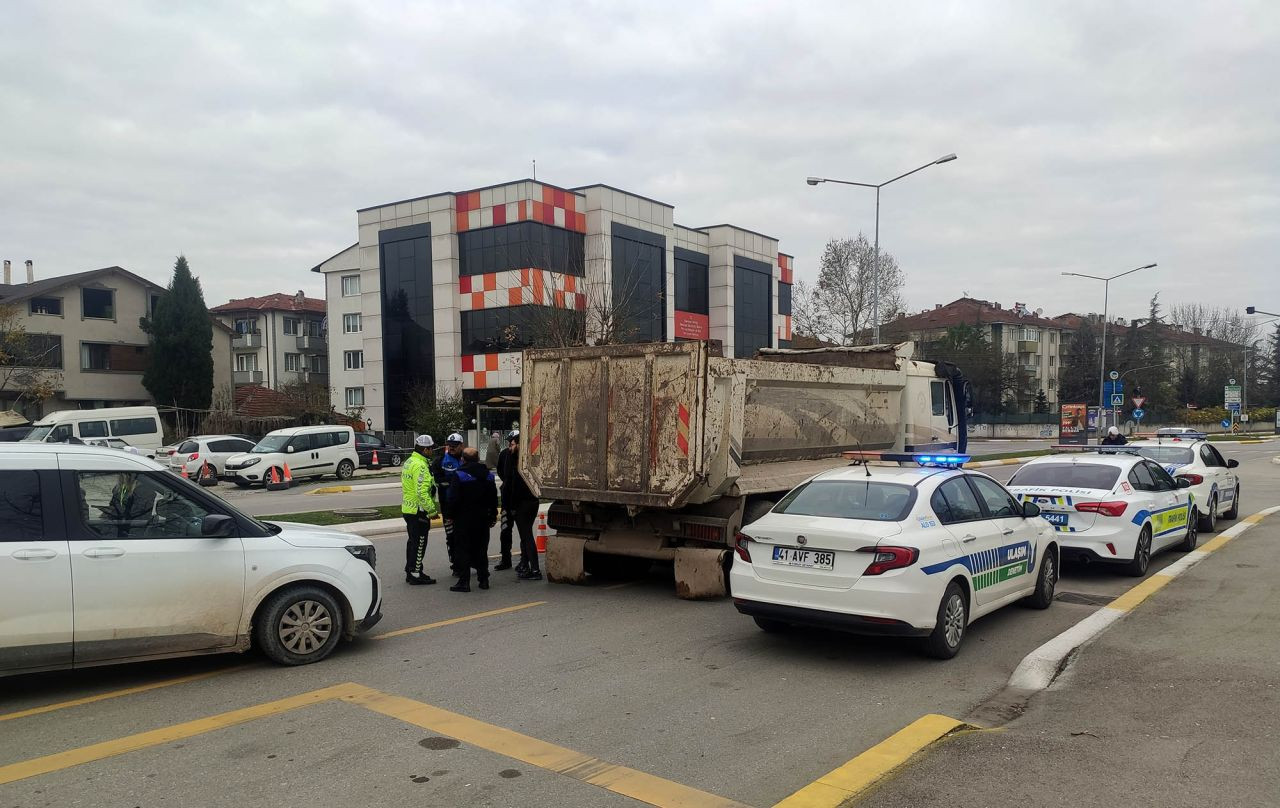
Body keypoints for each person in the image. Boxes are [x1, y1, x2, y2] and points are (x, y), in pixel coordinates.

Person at [444, 447, 498, 592]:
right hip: (482, 519)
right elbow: (493, 498)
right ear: (477, 458)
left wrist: (449, 515)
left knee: (463, 549)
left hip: (464, 519)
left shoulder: (460, 475)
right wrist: (493, 515)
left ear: (463, 459)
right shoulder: (488, 475)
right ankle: (484, 579)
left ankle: (464, 582)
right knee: (481, 549)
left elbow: (453, 498)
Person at [496, 429, 541, 579]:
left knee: (526, 536)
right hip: (531, 501)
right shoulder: (525, 457)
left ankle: (534, 570)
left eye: (512, 443)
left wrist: (512, 506)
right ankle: (525, 564)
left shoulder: (517, 461)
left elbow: (511, 484)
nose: (510, 447)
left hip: (522, 503)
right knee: (524, 535)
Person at [401, 434, 440, 585]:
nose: (432, 451)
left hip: (409, 509)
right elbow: (422, 492)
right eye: (431, 448)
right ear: (425, 449)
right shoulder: (420, 465)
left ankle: (410, 570)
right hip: (419, 511)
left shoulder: (409, 461)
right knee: (420, 543)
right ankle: (415, 574)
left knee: (412, 542)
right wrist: (432, 511)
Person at [432, 432, 466, 571]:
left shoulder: (467, 459)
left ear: (461, 446)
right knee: (451, 536)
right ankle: (456, 564)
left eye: (454, 445)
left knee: (465, 535)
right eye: (449, 445)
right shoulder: (440, 461)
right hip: (448, 506)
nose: (451, 448)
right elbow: (438, 481)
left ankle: (468, 561)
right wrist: (456, 482)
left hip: (465, 506)